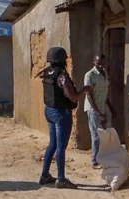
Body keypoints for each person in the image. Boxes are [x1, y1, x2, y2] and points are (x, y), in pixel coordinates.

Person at [39, 47, 92, 189]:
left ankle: (44, 175)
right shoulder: (61, 76)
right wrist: (85, 90)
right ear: (62, 60)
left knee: (53, 144)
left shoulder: (46, 73)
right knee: (61, 147)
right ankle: (61, 179)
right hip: (61, 113)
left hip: (49, 110)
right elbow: (73, 96)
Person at [84, 54, 116, 169]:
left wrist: (110, 107)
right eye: (98, 63)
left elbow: (104, 92)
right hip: (93, 108)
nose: (101, 66)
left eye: (103, 63)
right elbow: (89, 96)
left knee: (106, 132)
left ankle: (104, 156)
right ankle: (94, 161)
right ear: (94, 62)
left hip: (103, 106)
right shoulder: (90, 75)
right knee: (96, 135)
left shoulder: (105, 74)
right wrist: (98, 112)